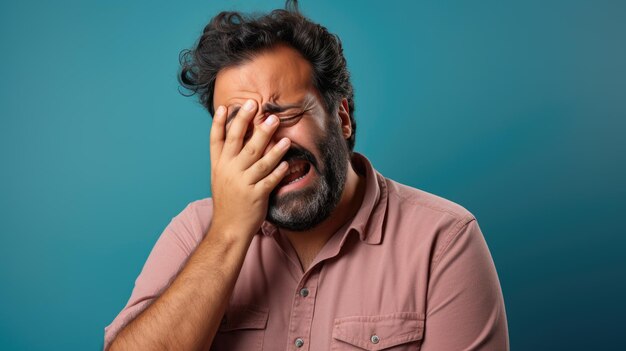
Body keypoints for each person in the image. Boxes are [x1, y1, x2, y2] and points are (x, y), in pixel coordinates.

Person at [104, 1, 509, 350]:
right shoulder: (195, 231)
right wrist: (228, 234)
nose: (267, 141)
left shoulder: (444, 241)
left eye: (285, 114)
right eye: (241, 127)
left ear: (343, 117)